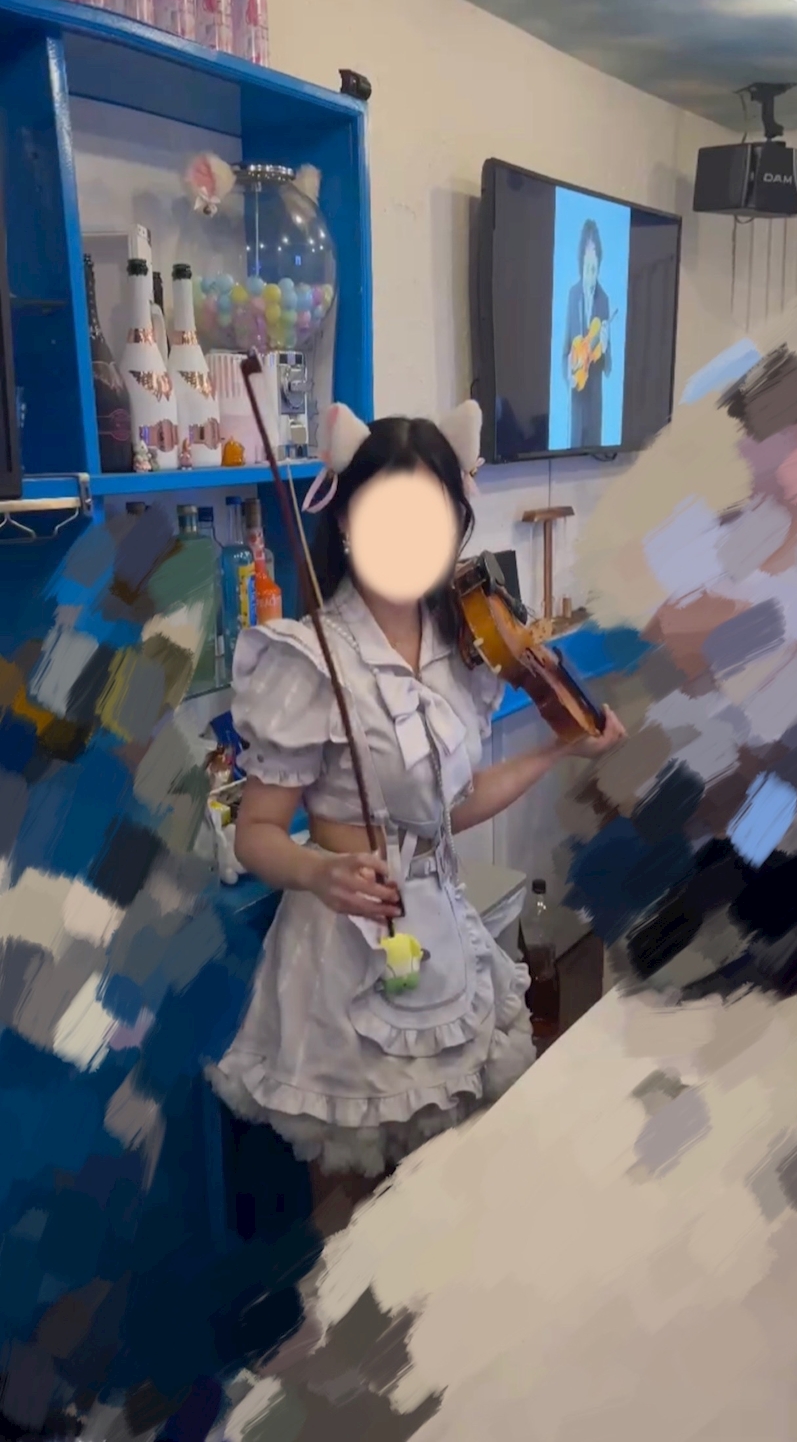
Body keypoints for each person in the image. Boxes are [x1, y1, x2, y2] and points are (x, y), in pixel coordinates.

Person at [208, 400, 625, 1188]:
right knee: (357, 1199)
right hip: (342, 960)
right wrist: (317, 871)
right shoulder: (308, 658)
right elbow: (255, 831)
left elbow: (450, 809)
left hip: (443, 933)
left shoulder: (458, 648)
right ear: (346, 524)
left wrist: (557, 747)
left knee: (451, 1186)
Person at [562, 218, 612, 449]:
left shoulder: (605, 300)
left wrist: (604, 347)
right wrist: (570, 374)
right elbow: (565, 351)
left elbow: (608, 366)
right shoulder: (573, 296)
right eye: (586, 267)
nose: (590, 276)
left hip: (594, 404)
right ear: (580, 263)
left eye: (594, 268)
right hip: (576, 402)